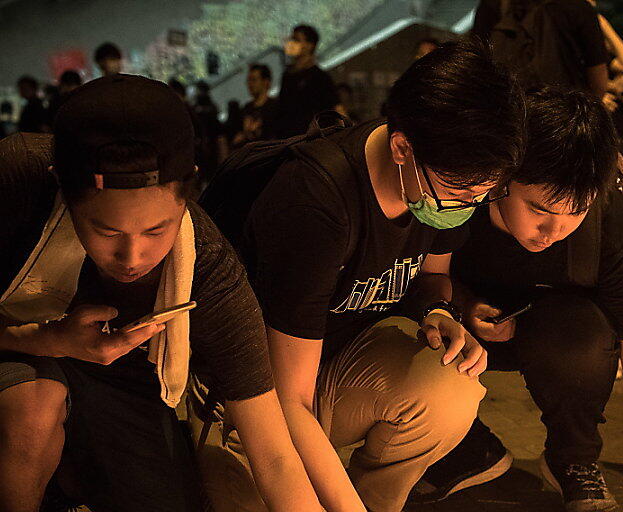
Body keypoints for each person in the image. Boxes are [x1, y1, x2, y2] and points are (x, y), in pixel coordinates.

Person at [205, 40, 525, 512]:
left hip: (331, 368)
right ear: (401, 148)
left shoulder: (442, 178)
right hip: (247, 394)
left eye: (485, 191)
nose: (469, 205)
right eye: (459, 191)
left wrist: (438, 311)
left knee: (451, 384)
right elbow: (287, 398)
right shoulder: (317, 202)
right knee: (252, 493)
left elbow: (432, 275)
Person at [0, 75, 320, 512]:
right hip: (13, 343)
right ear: (63, 189)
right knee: (31, 412)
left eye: (156, 230)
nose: (132, 256)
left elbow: (275, 455)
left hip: (122, 383)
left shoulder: (205, 266)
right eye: (105, 230)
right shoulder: (16, 180)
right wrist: (48, 339)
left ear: (188, 190)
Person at [414, 89, 623, 512]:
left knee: (584, 339)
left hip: (558, 333)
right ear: (503, 177)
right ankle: (463, 449)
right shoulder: (461, 191)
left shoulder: (613, 222)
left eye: (574, 212)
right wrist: (459, 306)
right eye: (538, 209)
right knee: (402, 328)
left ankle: (571, 461)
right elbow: (422, 275)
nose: (552, 230)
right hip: (457, 323)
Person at [472, 0, 608, 97]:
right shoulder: (578, 8)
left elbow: (476, 67)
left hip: (512, 119)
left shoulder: (491, 6)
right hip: (563, 119)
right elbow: (599, 84)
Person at [276, 24, 341, 138]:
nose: (291, 43)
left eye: (296, 40)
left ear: (309, 45)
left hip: (312, 141)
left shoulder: (320, 77)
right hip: (288, 141)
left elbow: (336, 108)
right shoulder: (287, 76)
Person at [233, 64, 280, 148]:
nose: (250, 84)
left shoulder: (275, 107)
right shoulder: (246, 109)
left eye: (254, 80)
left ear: (266, 82)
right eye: (248, 80)